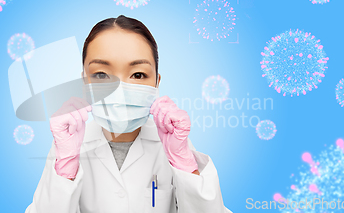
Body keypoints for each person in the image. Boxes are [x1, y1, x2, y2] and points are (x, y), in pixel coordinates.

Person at [25, 15, 231, 213]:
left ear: (156, 83)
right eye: (101, 75)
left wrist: (184, 163)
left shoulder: (174, 147)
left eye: (138, 74)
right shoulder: (67, 148)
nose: (120, 89)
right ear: (84, 82)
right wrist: (65, 171)